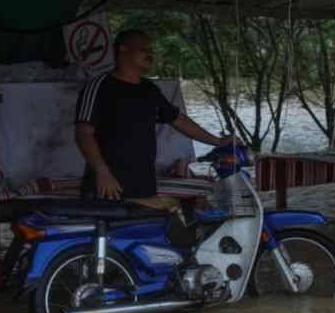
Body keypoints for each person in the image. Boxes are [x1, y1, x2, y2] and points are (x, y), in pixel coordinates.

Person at [75, 29, 230, 201]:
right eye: (143, 49)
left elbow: (178, 120)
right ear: (123, 49)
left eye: (151, 50)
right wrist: (102, 171)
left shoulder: (149, 90)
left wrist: (218, 142)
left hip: (144, 186)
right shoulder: (100, 86)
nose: (150, 54)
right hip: (107, 186)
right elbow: (84, 133)